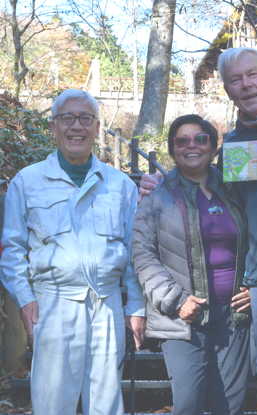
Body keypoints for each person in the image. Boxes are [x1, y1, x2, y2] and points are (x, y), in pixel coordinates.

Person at [140, 47, 257, 415]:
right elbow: (144, 254)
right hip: (218, 304)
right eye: (235, 79)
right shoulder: (234, 151)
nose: (246, 84)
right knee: (252, 387)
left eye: (252, 74)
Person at [0, 89, 145, 415]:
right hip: (52, 304)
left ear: (96, 128)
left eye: (85, 119)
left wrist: (136, 306)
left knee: (106, 404)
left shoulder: (120, 185)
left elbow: (136, 252)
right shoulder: (28, 181)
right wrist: (24, 299)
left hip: (106, 304)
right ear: (54, 127)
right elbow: (12, 249)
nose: (76, 127)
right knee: (53, 404)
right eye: (67, 118)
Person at [132, 114, 251, 415]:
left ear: (213, 147)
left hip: (234, 316)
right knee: (188, 405)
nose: (192, 146)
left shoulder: (235, 189)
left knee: (231, 405)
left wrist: (255, 285)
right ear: (172, 150)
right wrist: (175, 300)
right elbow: (143, 255)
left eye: (201, 139)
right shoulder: (157, 198)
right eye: (182, 141)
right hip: (184, 319)